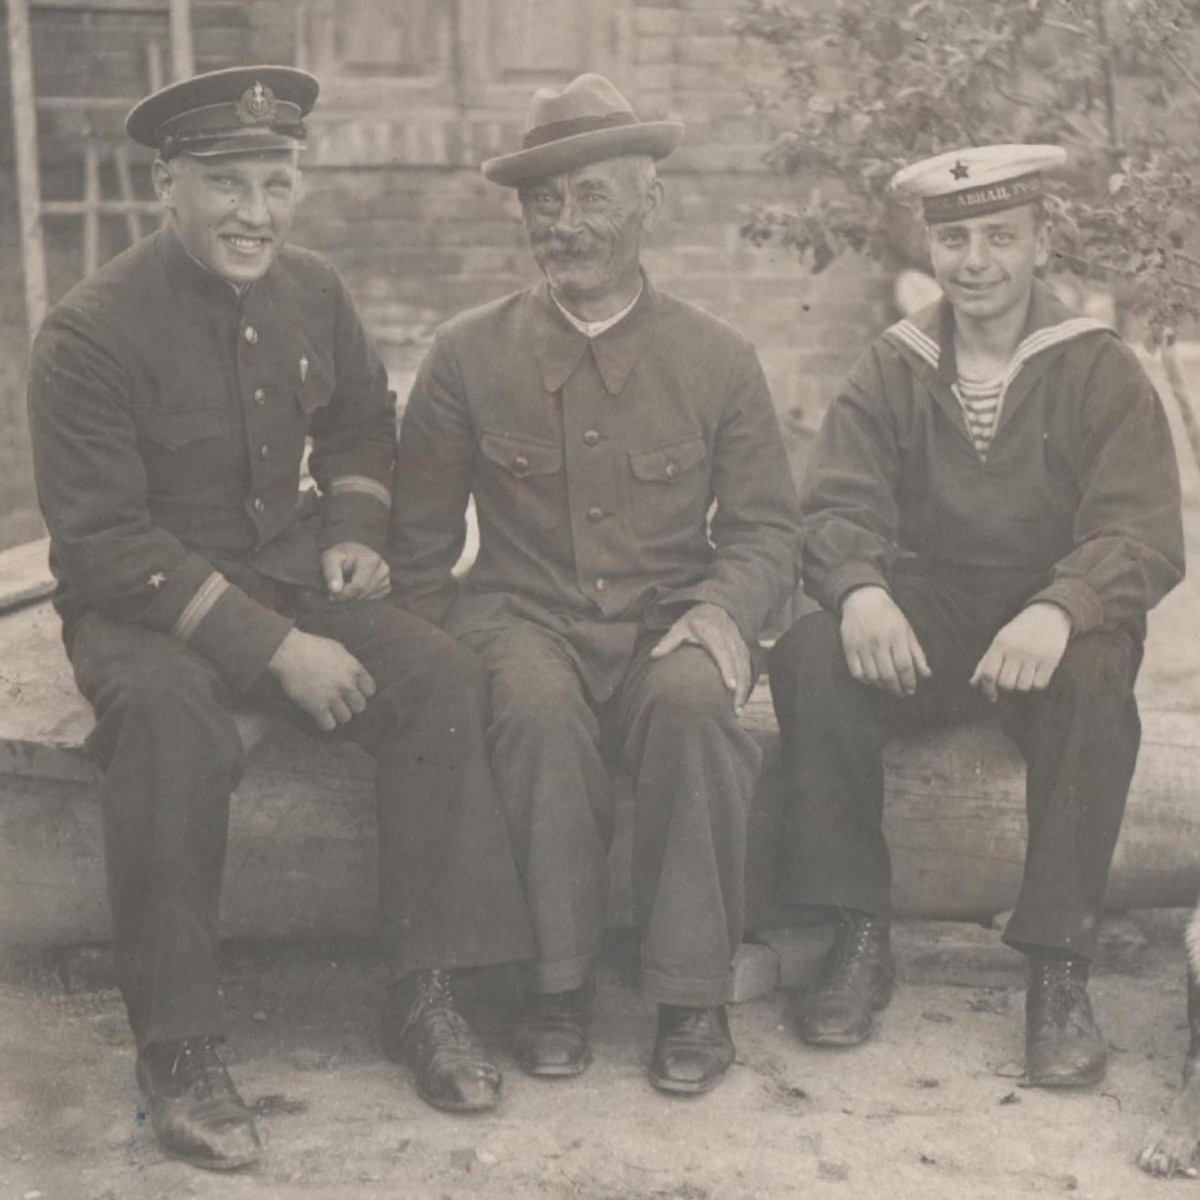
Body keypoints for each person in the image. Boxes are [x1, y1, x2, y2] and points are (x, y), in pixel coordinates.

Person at [28, 66, 535, 1170]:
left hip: (295, 572)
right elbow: (106, 545)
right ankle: (180, 1052)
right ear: (168, 184)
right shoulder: (90, 333)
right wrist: (276, 652)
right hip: (143, 608)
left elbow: (361, 421)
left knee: (441, 678)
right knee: (171, 726)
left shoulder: (313, 288)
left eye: (276, 181)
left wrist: (354, 529)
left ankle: (424, 990)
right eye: (225, 184)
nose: (256, 213)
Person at [388, 73, 800, 1095]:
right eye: (544, 204)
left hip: (668, 620)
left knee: (702, 701)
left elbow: (766, 535)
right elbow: (418, 552)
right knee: (528, 703)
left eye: (592, 200)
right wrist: (454, 657)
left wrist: (721, 611)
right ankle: (556, 989)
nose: (564, 227)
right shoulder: (464, 356)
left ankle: (690, 998)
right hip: (523, 617)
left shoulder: (719, 360)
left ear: (650, 203)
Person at [769, 144, 1185, 1087]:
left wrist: (1061, 606)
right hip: (935, 610)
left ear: (1041, 242)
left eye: (1002, 236)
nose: (978, 261)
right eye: (956, 239)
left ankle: (1057, 969)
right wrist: (862, 589)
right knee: (809, 652)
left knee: (1097, 673)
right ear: (931, 250)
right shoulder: (898, 363)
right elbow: (835, 504)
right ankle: (858, 937)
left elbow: (1144, 532)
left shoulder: (1095, 365)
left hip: (1050, 616)